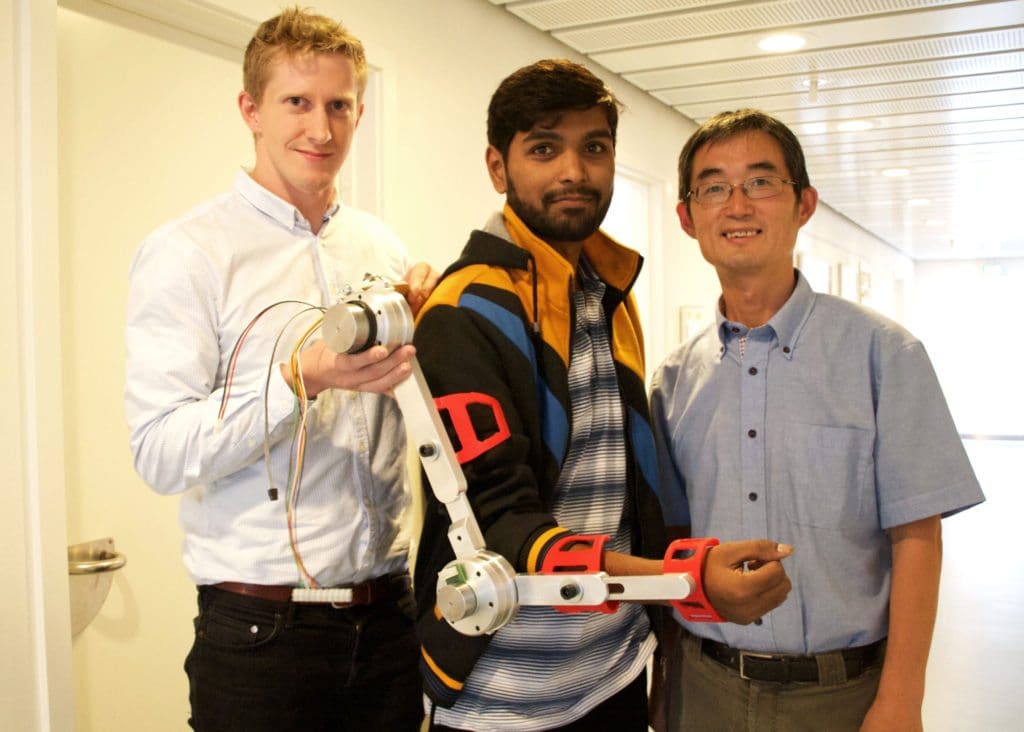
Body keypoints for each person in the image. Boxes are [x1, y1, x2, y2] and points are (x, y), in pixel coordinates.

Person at [411, 60, 792, 732]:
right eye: (544, 148)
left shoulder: (609, 291)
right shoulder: (461, 312)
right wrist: (684, 580)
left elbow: (632, 486)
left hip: (614, 670)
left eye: (594, 148)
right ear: (498, 168)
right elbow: (499, 521)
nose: (574, 172)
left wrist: (661, 623)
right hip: (503, 693)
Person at [124, 8, 436, 731]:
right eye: (297, 102)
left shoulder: (380, 247)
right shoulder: (189, 253)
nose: (321, 131)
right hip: (261, 637)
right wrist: (302, 378)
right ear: (251, 110)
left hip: (389, 619)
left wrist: (431, 321)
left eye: (340, 106)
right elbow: (161, 452)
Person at [650, 108, 986, 732]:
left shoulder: (884, 355)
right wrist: (667, 684)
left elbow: (917, 538)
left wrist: (901, 700)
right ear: (687, 217)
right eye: (714, 187)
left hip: (841, 696)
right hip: (703, 689)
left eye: (761, 181)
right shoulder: (673, 380)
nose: (738, 204)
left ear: (803, 204)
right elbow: (673, 540)